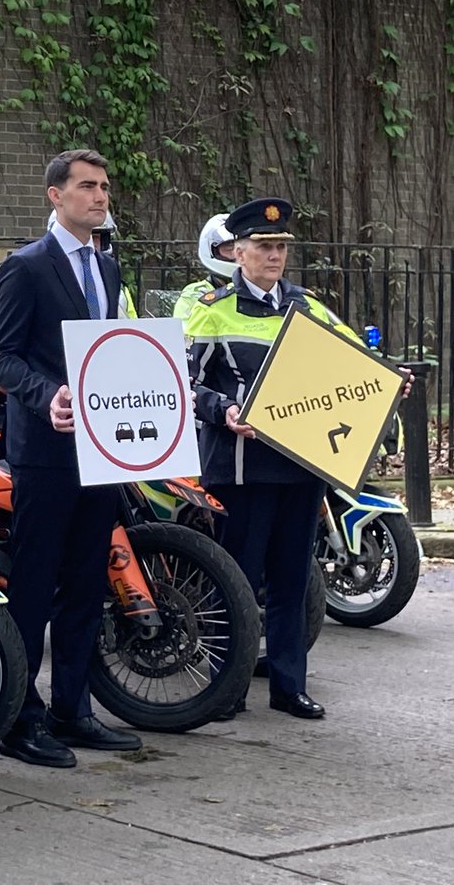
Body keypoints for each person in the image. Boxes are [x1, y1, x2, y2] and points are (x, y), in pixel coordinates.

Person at [185, 197, 410, 721]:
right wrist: (224, 410)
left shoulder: (307, 306)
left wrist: (389, 380)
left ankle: (289, 687)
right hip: (241, 466)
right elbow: (185, 384)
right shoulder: (211, 309)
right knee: (238, 581)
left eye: (281, 247)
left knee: (291, 578)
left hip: (301, 464)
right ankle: (230, 689)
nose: (274, 256)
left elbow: (355, 366)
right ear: (238, 252)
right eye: (263, 247)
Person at [0, 149, 141, 767]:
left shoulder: (109, 267)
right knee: (34, 585)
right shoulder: (26, 266)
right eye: (86, 187)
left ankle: (71, 710)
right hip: (47, 453)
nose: (100, 197)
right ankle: (20, 720)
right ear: (55, 195)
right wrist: (47, 394)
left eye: (104, 187)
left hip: (103, 449)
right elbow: (1, 358)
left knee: (84, 584)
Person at [47, 209, 137, 318]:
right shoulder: (44, 280)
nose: (88, 242)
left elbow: (130, 328)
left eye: (95, 237)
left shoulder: (119, 288)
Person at [172, 213, 236, 323]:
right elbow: (181, 332)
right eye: (229, 247)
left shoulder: (260, 291)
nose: (236, 253)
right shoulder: (194, 294)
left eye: (241, 247)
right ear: (212, 250)